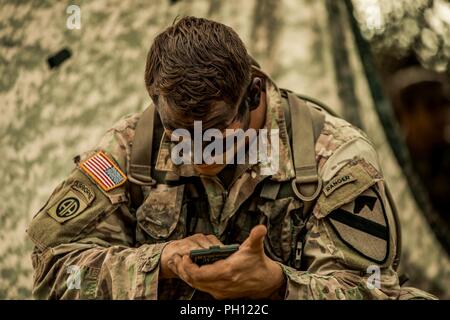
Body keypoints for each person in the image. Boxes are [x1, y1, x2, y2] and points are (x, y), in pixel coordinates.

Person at [27, 16, 436, 300]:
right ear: (155, 103)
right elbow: (55, 271)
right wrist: (162, 262)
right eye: (180, 133)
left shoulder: (335, 157)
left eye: (218, 130)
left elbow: (373, 288)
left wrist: (277, 285)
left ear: (253, 94)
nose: (198, 149)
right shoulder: (131, 146)